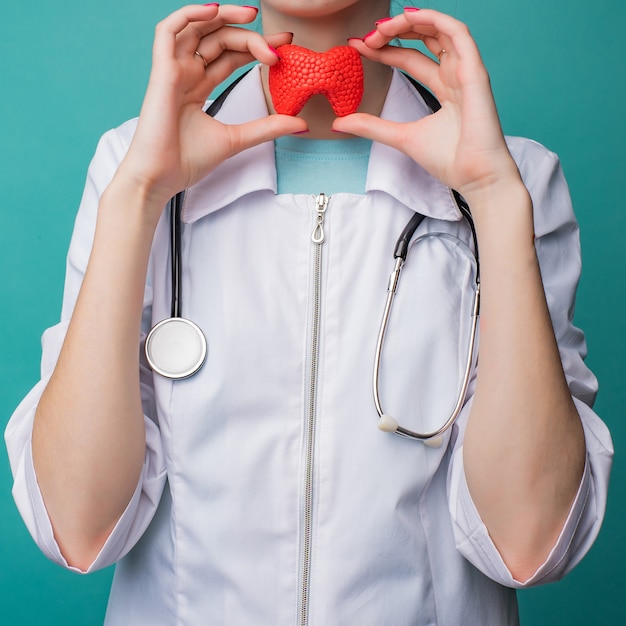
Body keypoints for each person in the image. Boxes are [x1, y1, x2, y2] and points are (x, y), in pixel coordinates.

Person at [5, 2, 613, 625]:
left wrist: (492, 197)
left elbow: (529, 545)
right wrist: (137, 196)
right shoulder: (129, 168)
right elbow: (76, 531)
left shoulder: (517, 182)